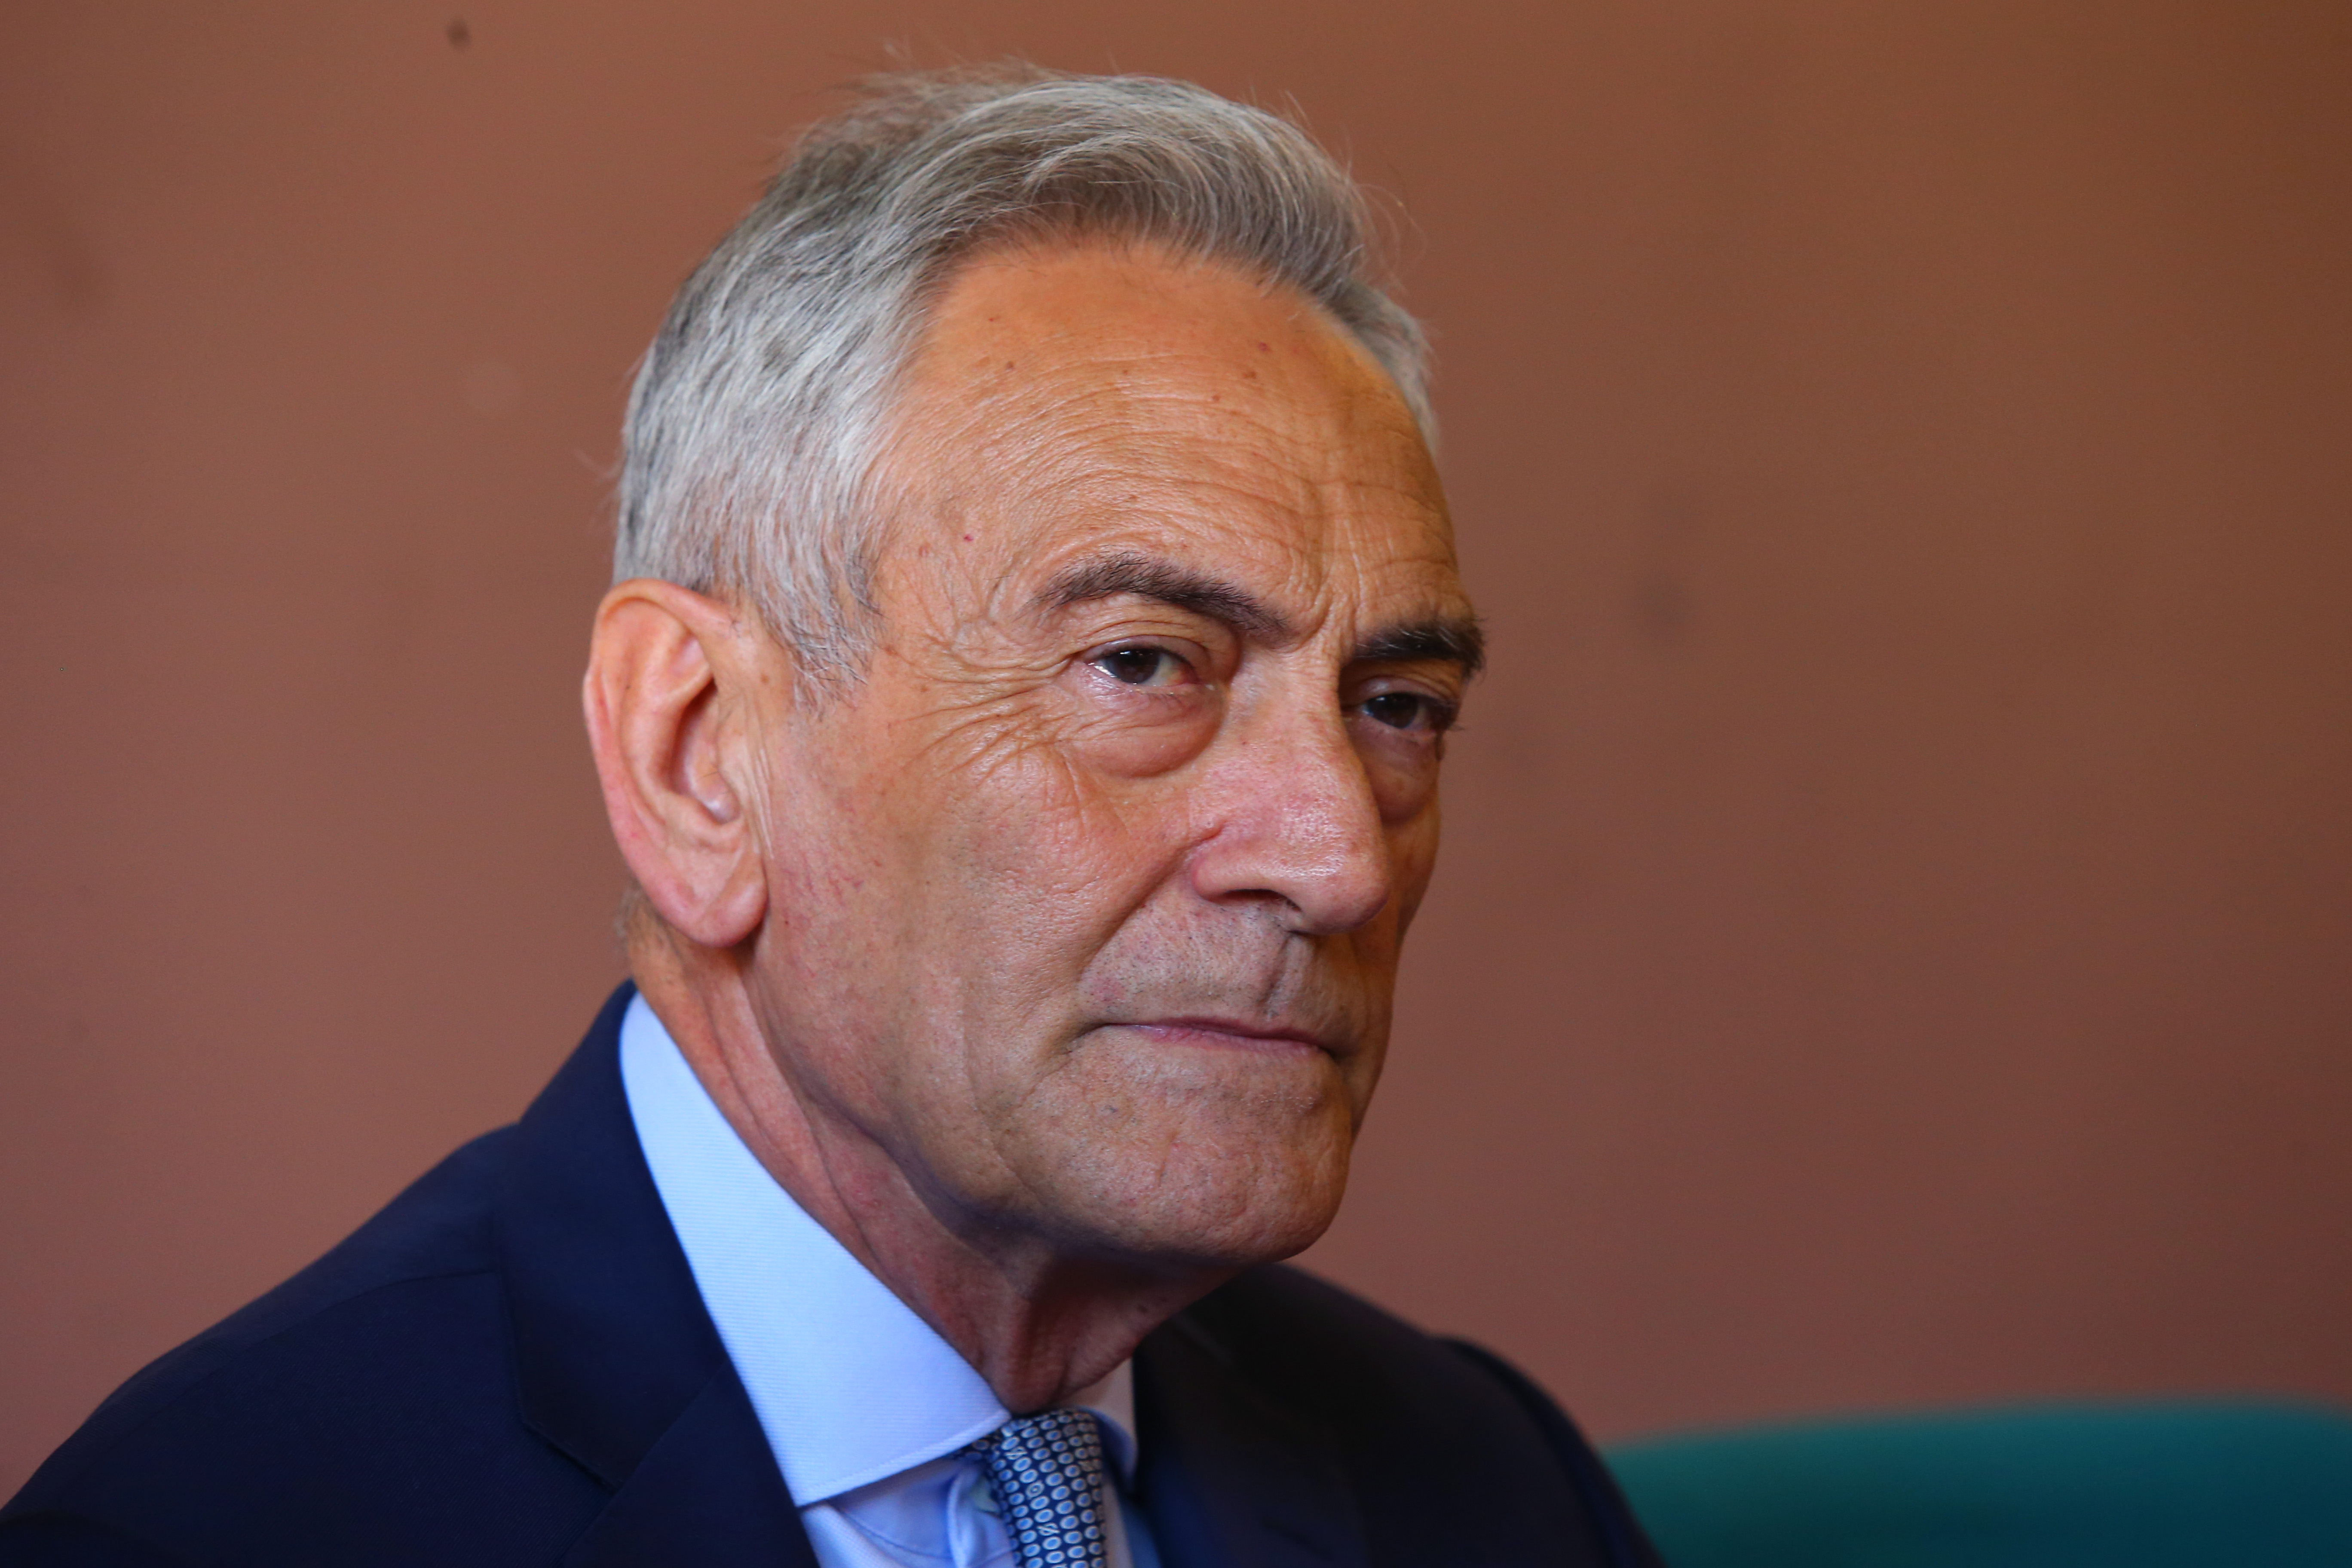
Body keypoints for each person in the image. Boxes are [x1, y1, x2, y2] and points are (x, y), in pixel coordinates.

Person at [0, 66, 1663, 1568]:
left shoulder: (1489, 1488)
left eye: (1398, 705)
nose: (1340, 858)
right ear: (699, 759)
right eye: (1144, 663)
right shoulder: (202, 1534)